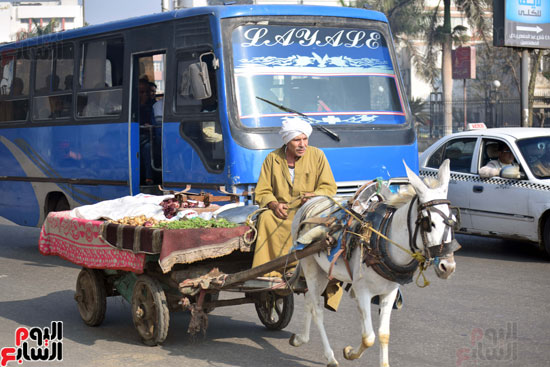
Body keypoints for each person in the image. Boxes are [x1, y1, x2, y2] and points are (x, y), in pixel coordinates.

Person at [252, 118, 342, 310]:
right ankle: (270, 272)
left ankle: (305, 270)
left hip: (309, 212)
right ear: (287, 141)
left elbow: (329, 187)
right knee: (266, 218)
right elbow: (262, 190)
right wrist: (274, 204)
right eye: (297, 140)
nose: (302, 144)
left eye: (304, 139)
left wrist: (314, 196)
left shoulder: (317, 156)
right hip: (281, 212)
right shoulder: (272, 159)